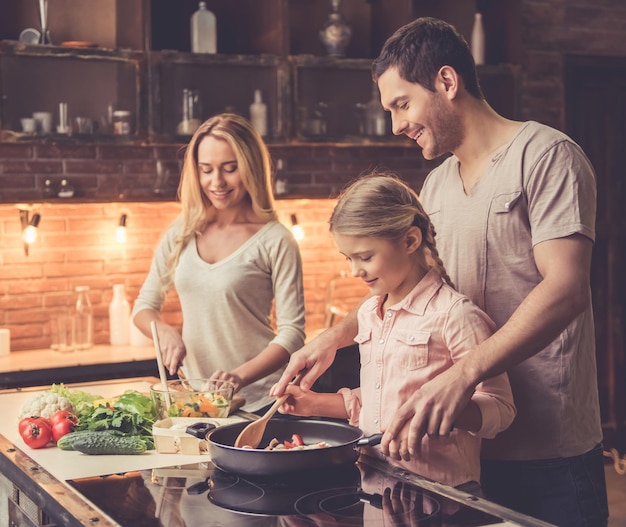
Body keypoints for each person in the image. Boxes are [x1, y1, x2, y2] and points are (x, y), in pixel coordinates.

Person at [271, 17, 608, 527]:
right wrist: (333, 339)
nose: (395, 124)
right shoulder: (435, 187)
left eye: (402, 104)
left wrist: (464, 374)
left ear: (447, 83)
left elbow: (566, 289)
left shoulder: (546, 157)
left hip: (548, 449)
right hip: (461, 458)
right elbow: (415, 296)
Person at [278, 173, 515, 488]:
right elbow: (380, 400)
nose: (354, 271)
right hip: (377, 483)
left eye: (365, 257)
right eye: (348, 258)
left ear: (410, 241)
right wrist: (313, 404)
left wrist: (444, 409)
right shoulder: (368, 314)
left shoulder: (455, 316)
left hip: (444, 497)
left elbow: (501, 409)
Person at [133, 113, 306, 413]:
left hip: (261, 403)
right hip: (197, 401)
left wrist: (237, 377)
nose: (217, 182)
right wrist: (162, 330)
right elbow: (143, 307)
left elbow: (293, 333)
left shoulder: (275, 240)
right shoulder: (181, 232)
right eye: (206, 170)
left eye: (230, 168)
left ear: (250, 167)